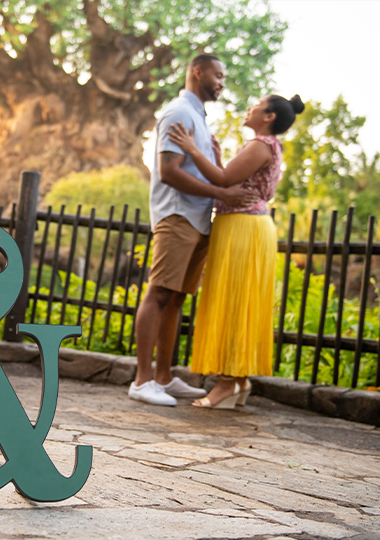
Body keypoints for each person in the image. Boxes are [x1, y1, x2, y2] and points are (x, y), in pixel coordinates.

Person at [128, 53, 258, 406]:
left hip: (197, 218)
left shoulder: (198, 117)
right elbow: (169, 171)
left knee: (176, 298)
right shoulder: (179, 113)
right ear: (197, 72)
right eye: (218, 76)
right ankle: (142, 381)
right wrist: (222, 193)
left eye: (224, 77)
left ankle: (163, 378)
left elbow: (200, 169)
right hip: (178, 216)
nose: (222, 83)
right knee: (158, 293)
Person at [167, 93, 305, 408]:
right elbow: (230, 182)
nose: (249, 108)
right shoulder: (266, 146)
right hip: (246, 226)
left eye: (256, 105)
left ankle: (227, 383)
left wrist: (191, 149)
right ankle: (239, 380)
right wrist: (217, 158)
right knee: (239, 301)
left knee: (234, 301)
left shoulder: (260, 145)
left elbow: (224, 180)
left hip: (243, 228)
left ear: (268, 117)